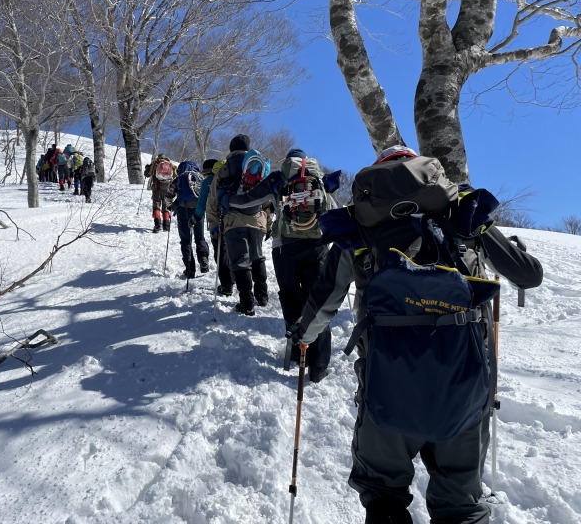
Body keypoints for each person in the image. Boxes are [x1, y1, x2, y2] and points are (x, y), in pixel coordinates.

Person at [287, 145, 543, 524]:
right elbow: (528, 275)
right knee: (460, 506)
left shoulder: (360, 224)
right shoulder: (463, 210)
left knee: (384, 500)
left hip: (386, 383)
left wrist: (304, 338)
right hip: (464, 384)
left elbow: (325, 300)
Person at [223, 148, 338, 381]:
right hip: (317, 246)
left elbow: (246, 201)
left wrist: (226, 199)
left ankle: (296, 350)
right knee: (316, 300)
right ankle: (319, 364)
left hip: (284, 248)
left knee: (290, 298)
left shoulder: (279, 178)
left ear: (287, 162)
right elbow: (333, 210)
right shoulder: (319, 179)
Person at [208, 134, 272, 316]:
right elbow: (267, 198)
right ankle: (262, 295)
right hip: (257, 219)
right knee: (257, 257)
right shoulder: (258, 166)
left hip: (233, 221)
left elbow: (213, 198)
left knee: (240, 260)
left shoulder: (225, 168)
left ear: (231, 149)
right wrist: (268, 222)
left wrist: (213, 223)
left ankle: (247, 302)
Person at [192, 159, 234, 295]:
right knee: (233, 252)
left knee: (221, 254)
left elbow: (201, 205)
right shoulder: (233, 177)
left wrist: (196, 217)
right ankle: (234, 279)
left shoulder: (208, 182)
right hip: (235, 221)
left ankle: (226, 286)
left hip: (217, 223)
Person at [169, 160, 209, 278]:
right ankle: (203, 259)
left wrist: (171, 206)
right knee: (199, 237)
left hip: (183, 210)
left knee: (186, 240)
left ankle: (190, 269)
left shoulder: (178, 178)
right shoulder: (200, 178)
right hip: (198, 210)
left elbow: (169, 195)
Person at [145, 154, 177, 233]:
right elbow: (175, 175)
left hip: (157, 189)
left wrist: (147, 168)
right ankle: (166, 226)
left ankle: (157, 225)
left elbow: (147, 174)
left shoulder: (155, 163)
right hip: (167, 189)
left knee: (156, 206)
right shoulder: (170, 165)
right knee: (166, 207)